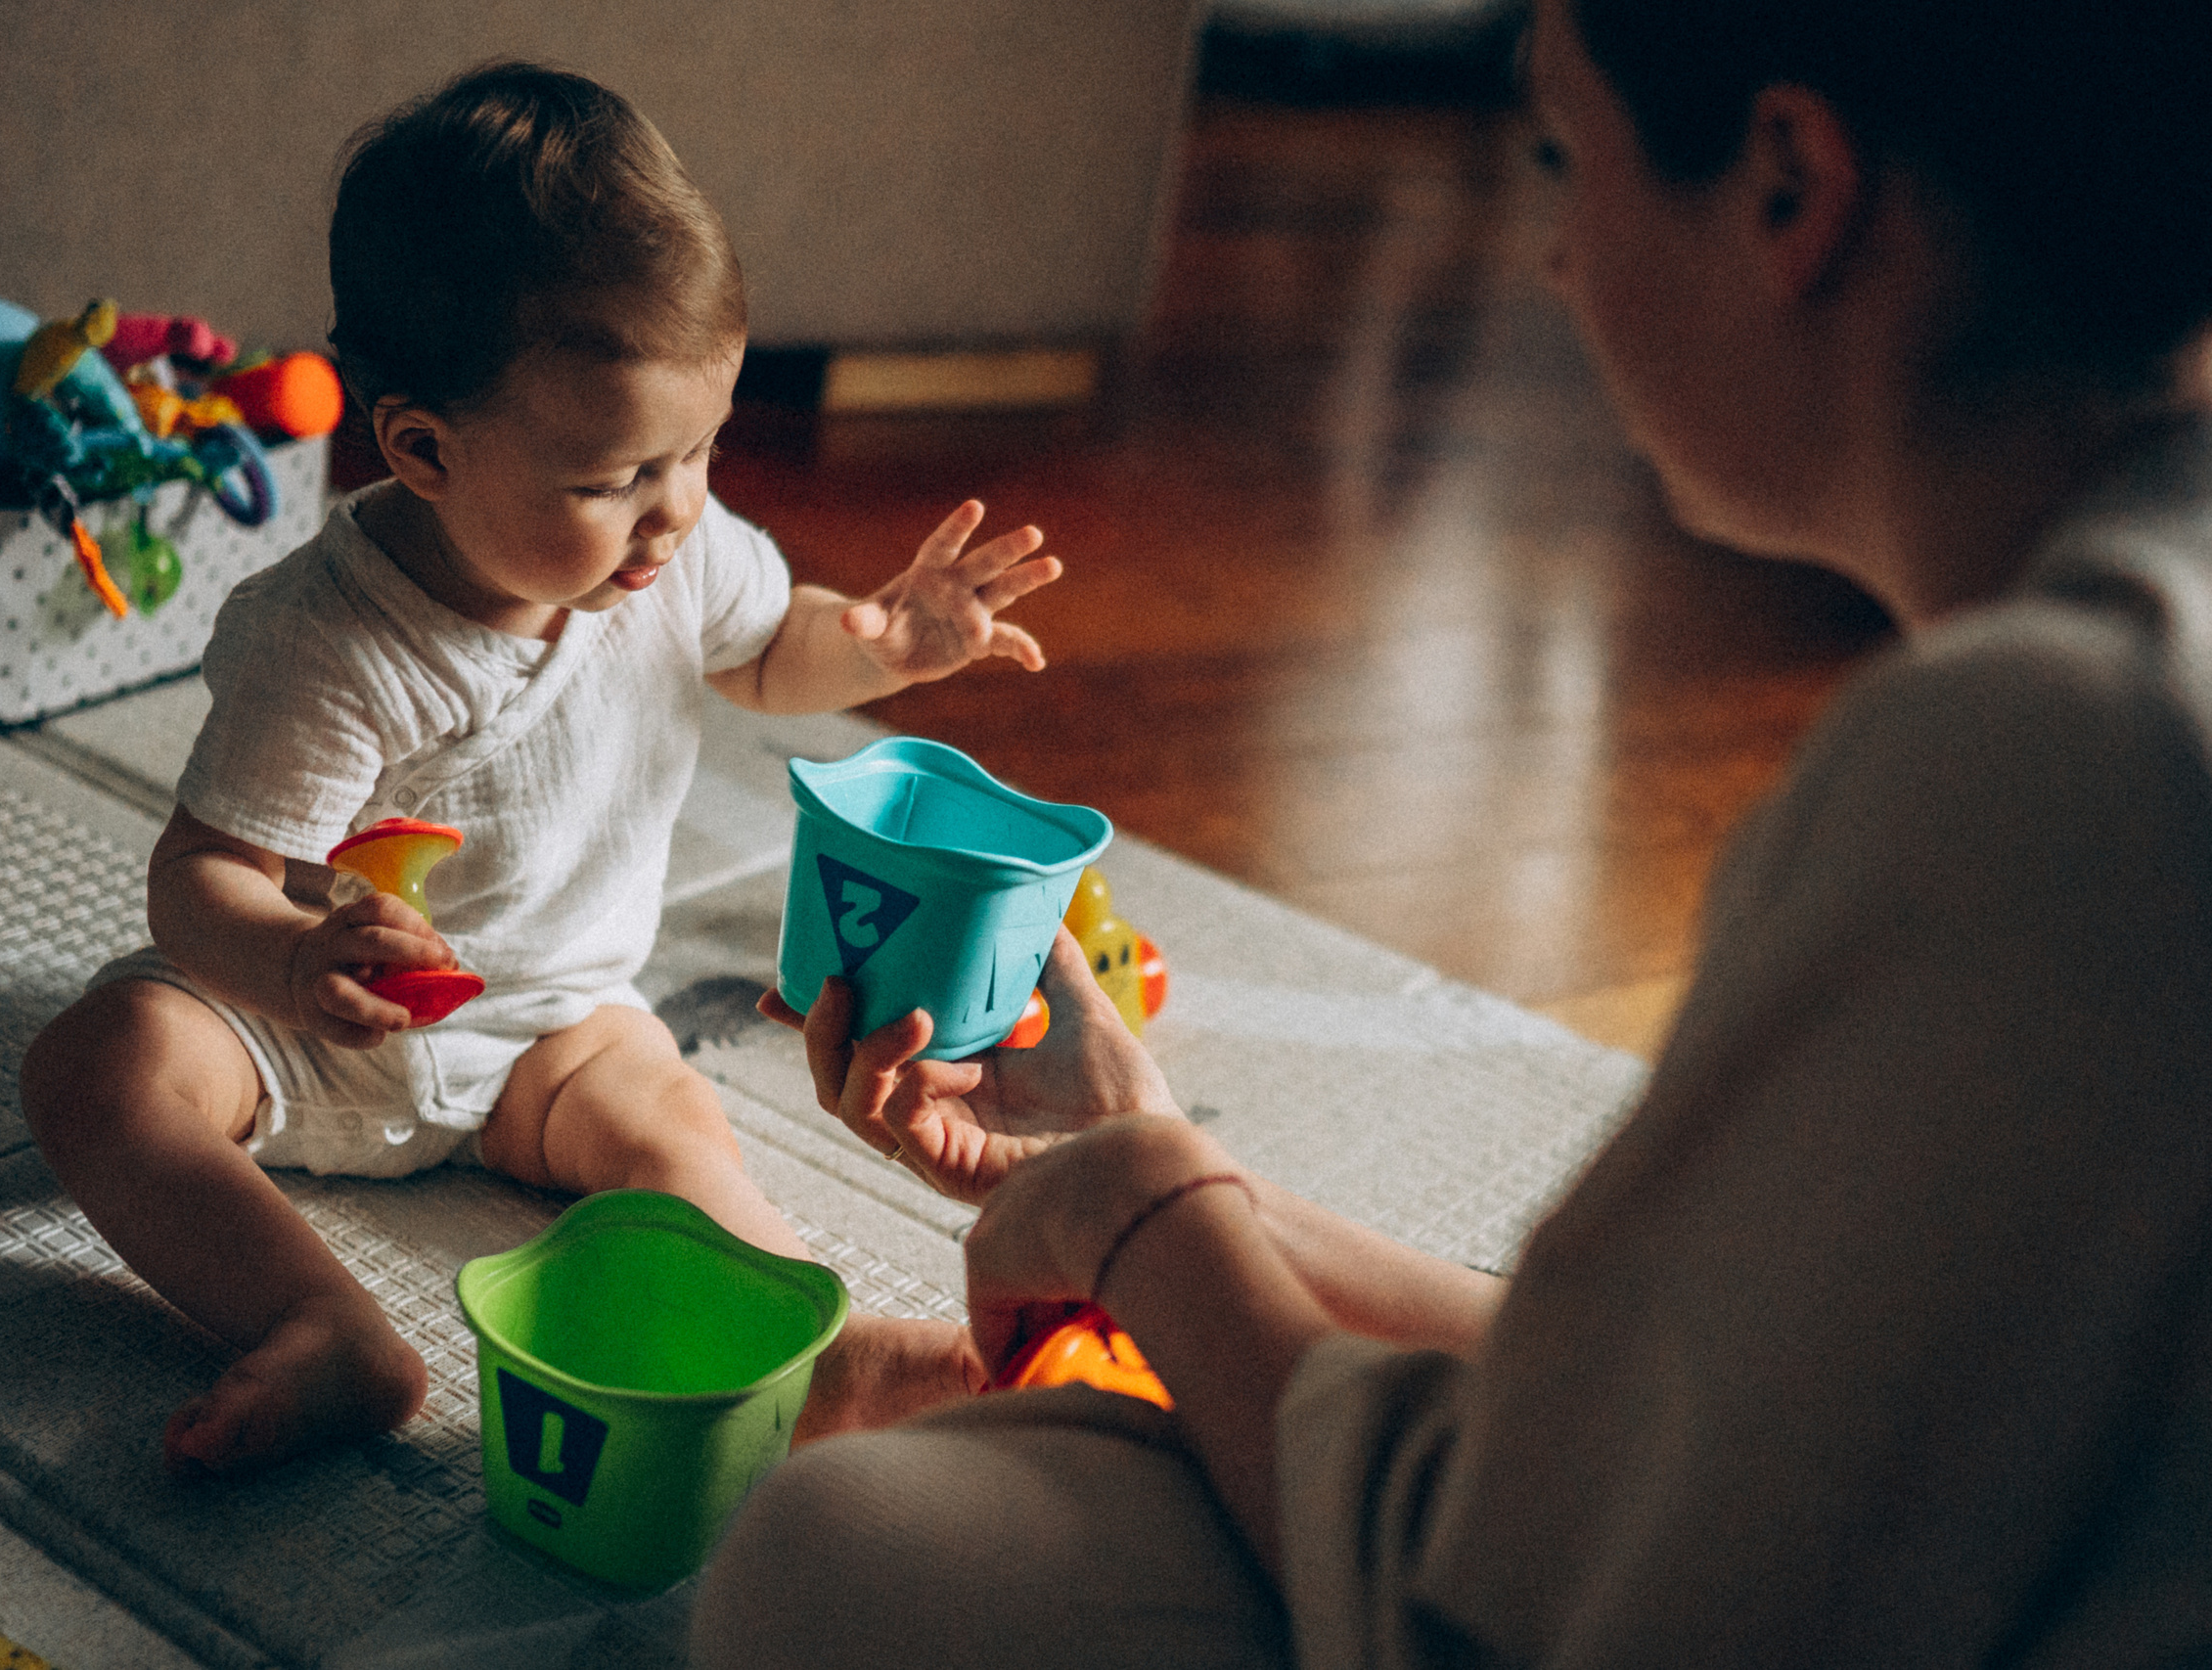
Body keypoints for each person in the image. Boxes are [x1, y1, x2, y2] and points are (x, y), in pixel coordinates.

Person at [692, 0, 2212, 1663]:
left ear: (1791, 186)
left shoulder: (2050, 762)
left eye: (1564, 157)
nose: (1554, 259)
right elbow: (1672, 1408)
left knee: (851, 1552)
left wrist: (1149, 1225)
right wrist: (1183, 1170)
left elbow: (1534, 1605)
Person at [18, 63, 1061, 1475]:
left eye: (703, 445)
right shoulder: (328, 641)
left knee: (679, 1125)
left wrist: (881, 644)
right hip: (316, 1037)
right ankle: (319, 1324)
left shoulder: (677, 553)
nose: (678, 508)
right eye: (616, 477)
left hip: (558, 1031)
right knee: (101, 1067)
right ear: (423, 450)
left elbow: (772, 654)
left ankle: (805, 1355)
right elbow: (203, 875)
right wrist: (284, 960)